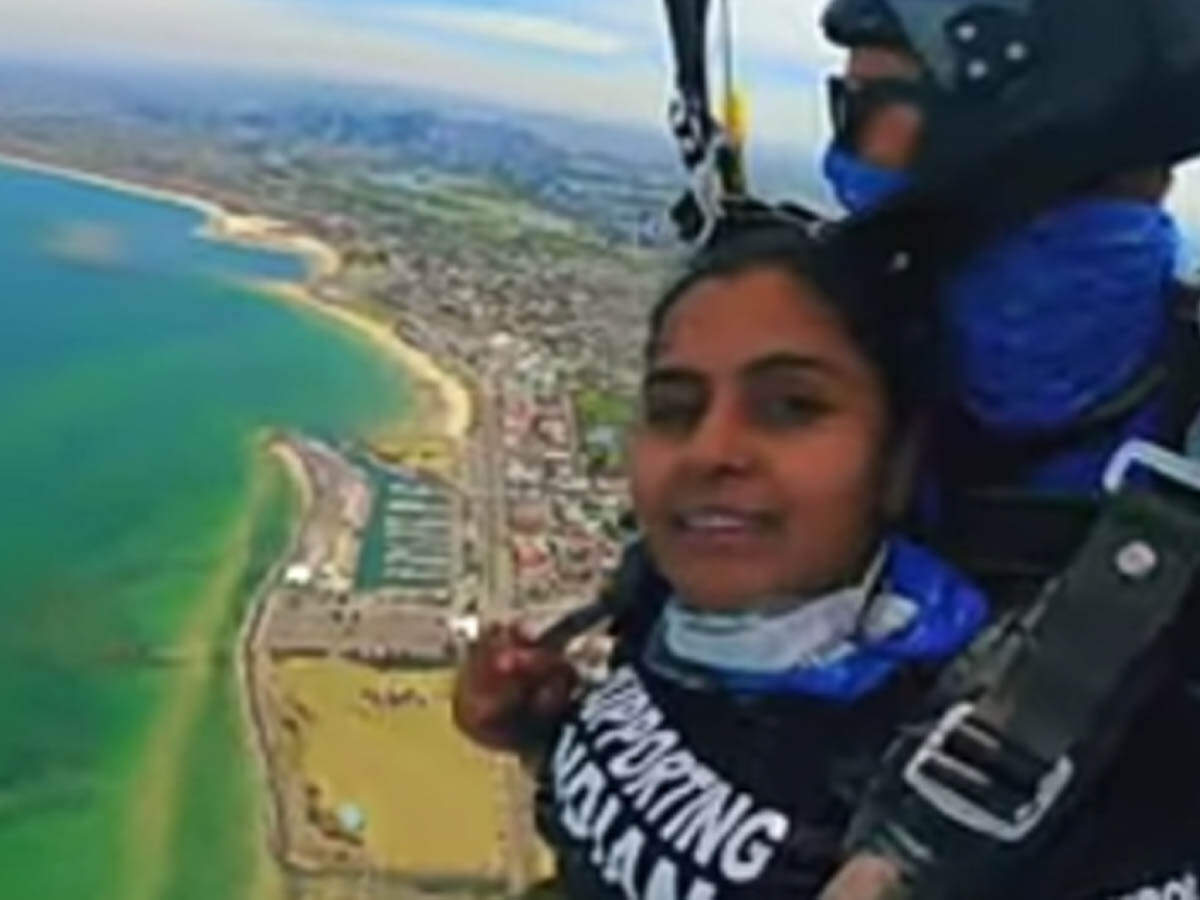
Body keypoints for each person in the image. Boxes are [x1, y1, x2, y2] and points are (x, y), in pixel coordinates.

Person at [454, 223, 988, 898]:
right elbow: (654, 826)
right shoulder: (658, 602)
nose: (710, 449)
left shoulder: (946, 752)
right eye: (673, 409)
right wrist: (533, 734)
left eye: (792, 406)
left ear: (899, 460)